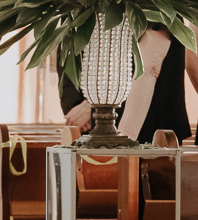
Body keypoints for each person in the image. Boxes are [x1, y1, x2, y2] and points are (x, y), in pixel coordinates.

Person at [61, 24, 193, 144]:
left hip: (149, 126)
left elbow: (148, 66)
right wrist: (75, 107)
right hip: (85, 123)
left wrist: (94, 104)